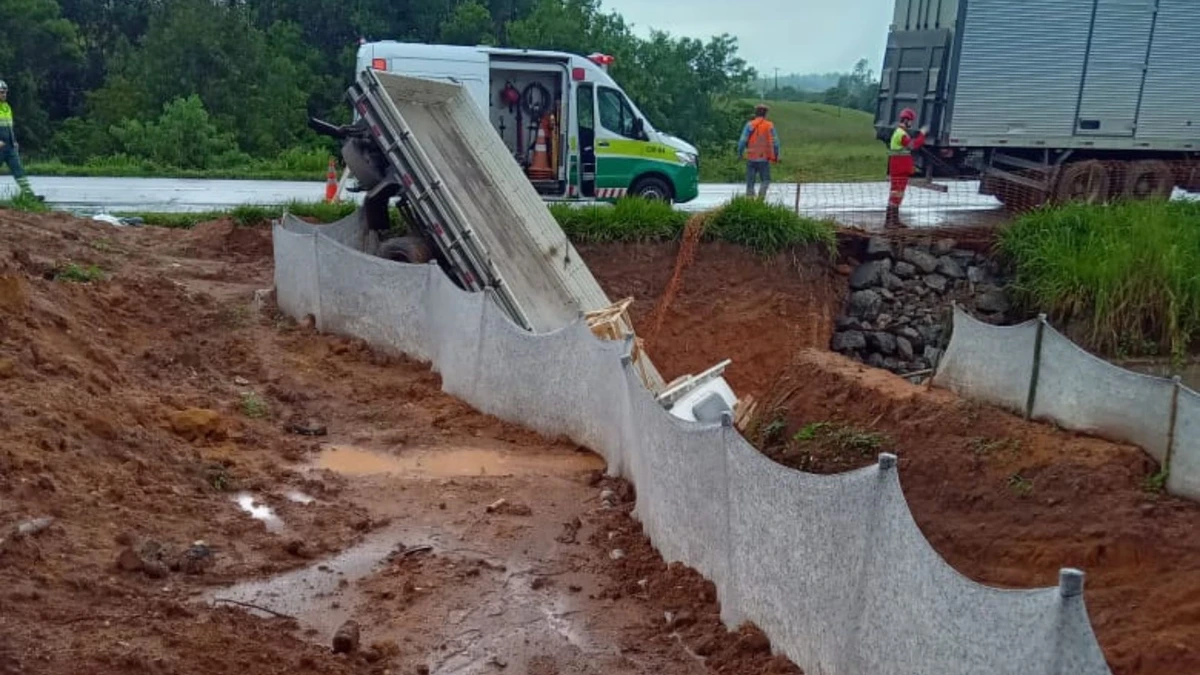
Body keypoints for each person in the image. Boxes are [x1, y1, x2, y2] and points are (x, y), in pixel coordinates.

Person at [885, 107, 927, 228]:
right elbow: (913, 145)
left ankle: (893, 220)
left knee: (897, 193)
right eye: (911, 121)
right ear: (906, 120)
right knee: (897, 193)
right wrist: (922, 135)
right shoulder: (902, 134)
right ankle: (891, 221)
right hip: (899, 169)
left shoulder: (899, 132)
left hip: (898, 168)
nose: (911, 124)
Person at [0, 80, 41, 201]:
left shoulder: (7, 107)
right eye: (1, 92)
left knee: (19, 171)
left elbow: (9, 126)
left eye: (5, 92)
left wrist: (14, 141)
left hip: (10, 146)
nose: (4, 95)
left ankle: (29, 196)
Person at [737, 104, 779, 200]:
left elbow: (742, 141)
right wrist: (776, 155)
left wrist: (740, 153)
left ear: (755, 113)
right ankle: (761, 199)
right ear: (766, 114)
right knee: (765, 180)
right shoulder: (769, 125)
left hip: (751, 157)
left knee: (750, 182)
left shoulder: (750, 124)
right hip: (764, 158)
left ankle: (749, 201)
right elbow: (776, 143)